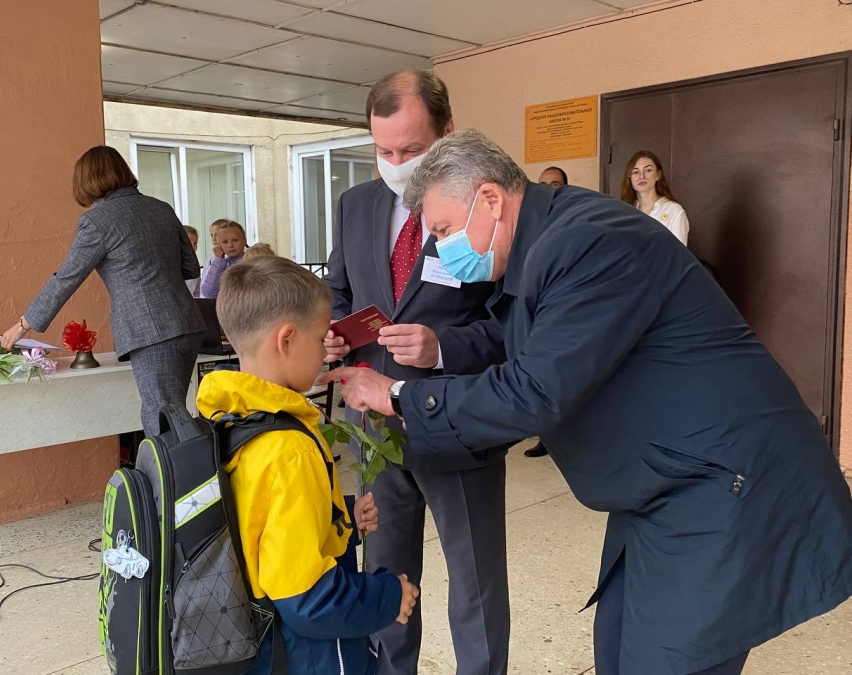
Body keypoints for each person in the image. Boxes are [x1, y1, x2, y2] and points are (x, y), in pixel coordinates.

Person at [325, 130, 852, 675]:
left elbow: (534, 390)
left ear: (490, 200)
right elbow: (525, 343)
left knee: (666, 661)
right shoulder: (538, 245)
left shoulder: (588, 241)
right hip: (660, 482)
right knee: (617, 648)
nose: (439, 248)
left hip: (723, 481)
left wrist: (399, 396)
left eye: (442, 230)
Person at [323, 70, 510, 675]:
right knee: (384, 576)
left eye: (411, 150)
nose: (397, 165)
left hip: (455, 420)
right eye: (384, 151)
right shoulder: (356, 205)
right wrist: (331, 334)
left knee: (474, 582)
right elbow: (340, 291)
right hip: (374, 428)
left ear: (447, 133)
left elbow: (514, 323)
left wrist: (442, 348)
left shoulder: (483, 205)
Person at [196, 257, 419, 675]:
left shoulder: (225, 416)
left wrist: (339, 516)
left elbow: (257, 521)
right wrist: (389, 596)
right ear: (286, 339)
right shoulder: (290, 450)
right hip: (303, 656)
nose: (324, 351)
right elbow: (308, 599)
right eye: (319, 338)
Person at [1, 146, 205, 437]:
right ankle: (182, 465)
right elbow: (190, 268)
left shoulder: (97, 222)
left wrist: (23, 325)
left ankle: (173, 468)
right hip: (188, 324)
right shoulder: (162, 208)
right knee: (175, 413)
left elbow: (66, 278)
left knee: (161, 419)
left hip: (151, 332)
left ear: (87, 181)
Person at [524, 165, 570, 458]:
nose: (547, 188)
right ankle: (547, 439)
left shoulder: (568, 221)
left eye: (554, 184)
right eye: (542, 183)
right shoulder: (530, 221)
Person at [621, 150, 689, 245]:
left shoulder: (674, 211)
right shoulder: (624, 211)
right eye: (635, 172)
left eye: (648, 170)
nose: (641, 176)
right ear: (630, 178)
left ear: (658, 175)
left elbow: (678, 252)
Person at [200, 219, 247, 298]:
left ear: (244, 241)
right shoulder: (218, 263)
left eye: (235, 240)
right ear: (219, 244)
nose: (230, 245)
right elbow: (208, 293)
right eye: (225, 242)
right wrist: (218, 261)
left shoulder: (252, 260)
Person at [183, 225, 201, 297]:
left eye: (195, 243)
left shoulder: (195, 264)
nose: (193, 248)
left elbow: (197, 292)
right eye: (189, 243)